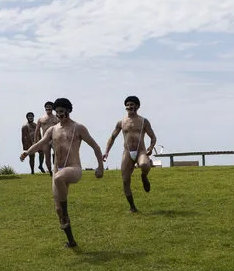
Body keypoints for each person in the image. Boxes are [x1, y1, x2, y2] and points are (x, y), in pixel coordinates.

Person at [21, 98, 104, 248]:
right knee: (57, 209)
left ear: (68, 111)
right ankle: (71, 240)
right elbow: (40, 143)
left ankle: (66, 211)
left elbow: (95, 146)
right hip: (57, 169)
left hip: (73, 168)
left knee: (59, 178)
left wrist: (100, 167)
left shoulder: (78, 128)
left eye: (61, 111)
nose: (58, 114)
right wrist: (27, 152)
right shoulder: (52, 130)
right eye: (57, 112)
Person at [102, 96, 157, 213]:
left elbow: (153, 137)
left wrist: (151, 148)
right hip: (127, 152)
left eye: (132, 105)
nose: (130, 107)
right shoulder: (121, 122)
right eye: (128, 105)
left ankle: (144, 176)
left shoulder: (143, 121)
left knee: (144, 164)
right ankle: (132, 207)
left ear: (137, 106)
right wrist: (106, 151)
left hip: (141, 151)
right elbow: (112, 137)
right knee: (125, 180)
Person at [34, 101, 58, 174]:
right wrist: (36, 141)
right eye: (47, 107)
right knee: (47, 157)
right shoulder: (41, 119)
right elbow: (37, 130)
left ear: (52, 108)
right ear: (45, 108)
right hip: (45, 140)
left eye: (50, 106)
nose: (48, 108)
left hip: (55, 139)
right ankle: (50, 170)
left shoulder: (57, 118)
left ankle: (56, 169)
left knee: (57, 153)